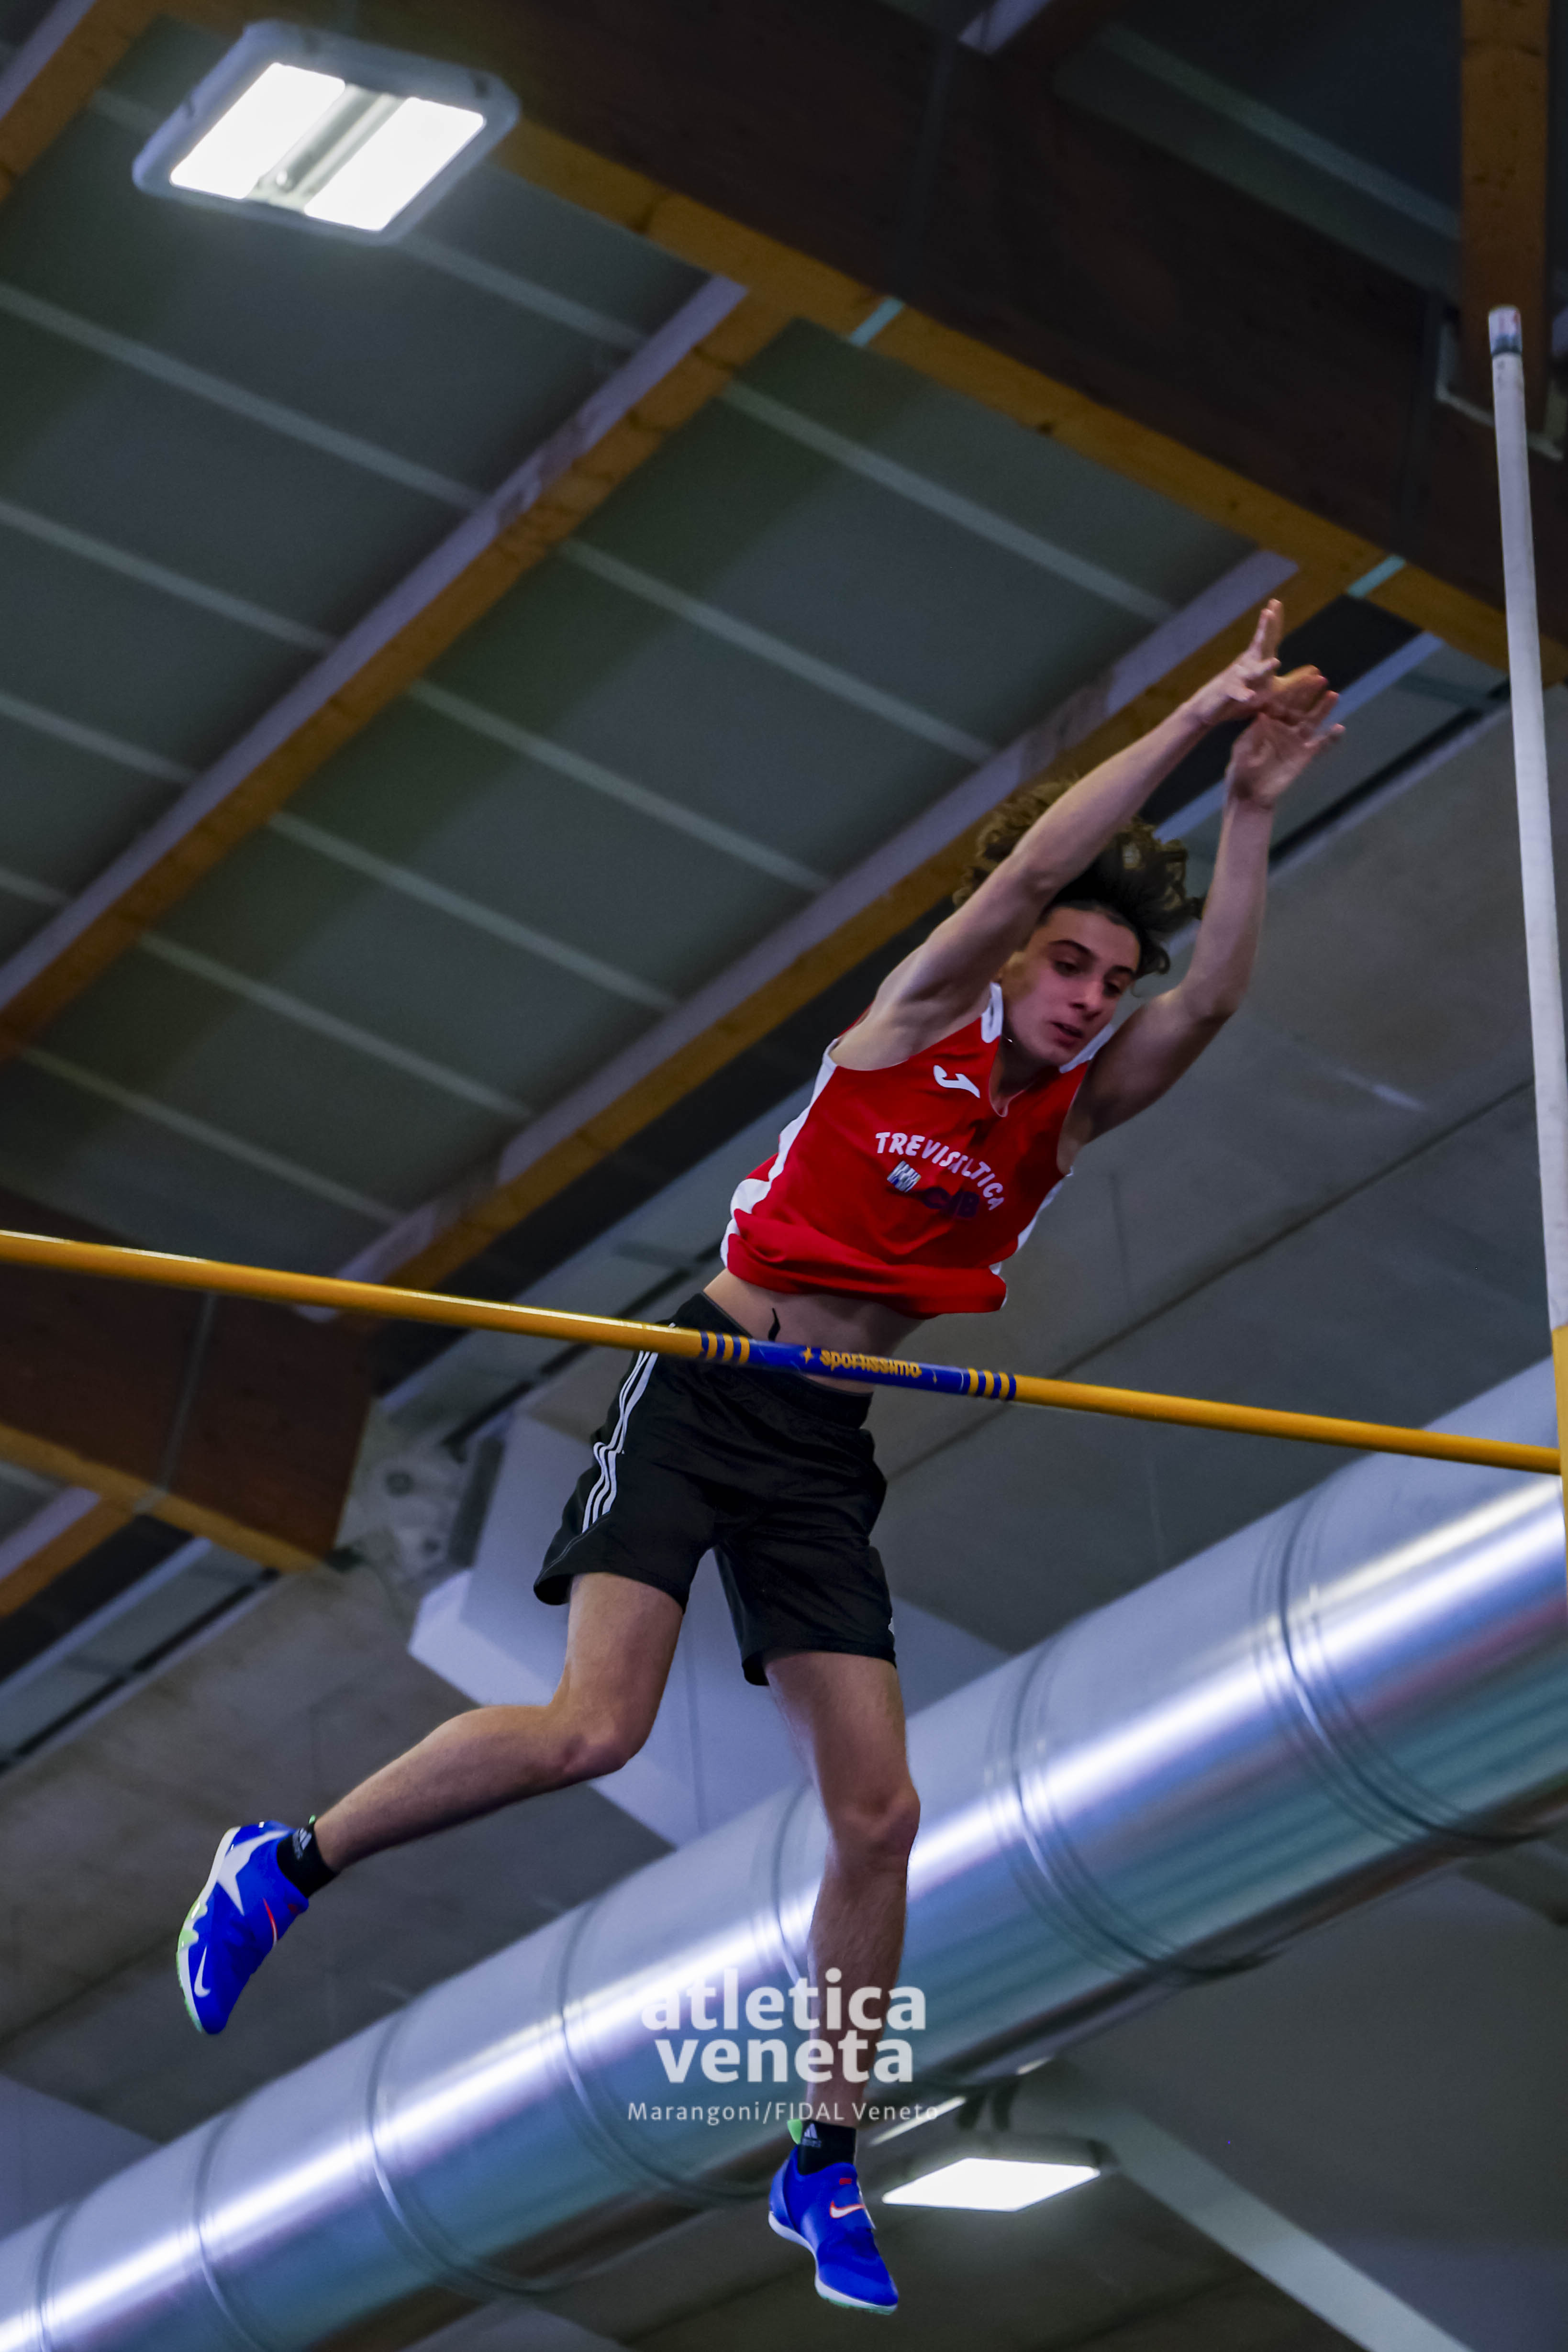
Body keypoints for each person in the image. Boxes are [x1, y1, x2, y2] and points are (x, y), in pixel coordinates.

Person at [177, 599, 1339, 2315]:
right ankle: (287, 1861)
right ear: (1016, 957)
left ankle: (821, 2155)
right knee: (594, 1727)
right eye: (1071, 968)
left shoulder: (1067, 1114)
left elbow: (1215, 999)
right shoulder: (917, 1018)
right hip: (708, 1383)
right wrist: (1194, 725)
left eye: (1113, 981)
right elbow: (1033, 871)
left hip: (819, 1444)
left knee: (881, 1814)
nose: (1094, 999)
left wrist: (1248, 810)